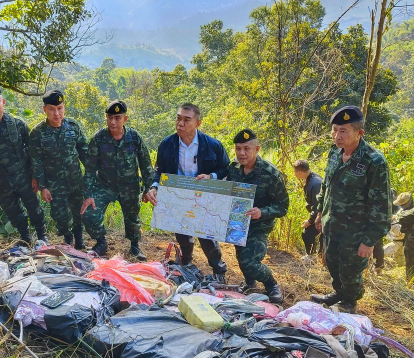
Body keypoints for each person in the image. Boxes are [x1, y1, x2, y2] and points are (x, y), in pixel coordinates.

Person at [311, 105, 392, 313]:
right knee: (333, 263)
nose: (337, 136)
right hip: (332, 224)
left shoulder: (374, 161)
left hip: (356, 231)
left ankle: (349, 302)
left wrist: (370, 240)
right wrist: (320, 212)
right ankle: (338, 293)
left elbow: (381, 204)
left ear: (359, 133)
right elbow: (326, 186)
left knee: (351, 270)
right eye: (335, 130)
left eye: (344, 131)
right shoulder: (334, 153)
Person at [146, 103, 230, 282]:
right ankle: (187, 266)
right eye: (178, 118)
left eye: (186, 120)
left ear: (198, 123)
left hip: (204, 197)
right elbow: (159, 170)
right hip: (180, 197)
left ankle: (219, 271)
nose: (180, 124)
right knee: (183, 234)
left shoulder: (212, 145)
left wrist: (212, 176)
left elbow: (225, 167)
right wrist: (154, 186)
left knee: (207, 236)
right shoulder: (167, 144)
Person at [0, 85, 47, 246]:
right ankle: (25, 238)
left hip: (23, 175)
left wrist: (35, 177)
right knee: (12, 211)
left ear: (3, 102)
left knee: (34, 207)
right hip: (0, 179)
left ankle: (42, 236)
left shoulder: (18, 124)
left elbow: (33, 152)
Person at [80, 100, 154, 259]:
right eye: (110, 117)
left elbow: (146, 165)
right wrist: (88, 194)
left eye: (118, 118)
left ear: (125, 119)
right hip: (105, 185)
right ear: (106, 117)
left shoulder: (134, 138)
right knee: (88, 214)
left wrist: (148, 189)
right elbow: (90, 169)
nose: (113, 122)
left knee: (132, 218)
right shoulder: (98, 139)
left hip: (130, 186)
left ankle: (135, 246)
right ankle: (101, 242)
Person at [226, 129, 289, 303]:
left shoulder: (271, 174)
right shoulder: (233, 170)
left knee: (249, 261)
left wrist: (262, 212)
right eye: (238, 148)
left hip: (259, 225)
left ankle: (271, 284)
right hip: (238, 222)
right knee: (241, 258)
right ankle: (249, 282)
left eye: (247, 148)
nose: (242, 153)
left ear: (257, 149)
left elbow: (283, 207)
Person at [29, 90, 88, 248]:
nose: (56, 113)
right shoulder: (37, 133)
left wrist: (91, 176)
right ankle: (67, 236)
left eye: (60, 108)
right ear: (44, 110)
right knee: (60, 216)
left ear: (64, 108)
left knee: (79, 212)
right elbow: (37, 162)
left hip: (75, 181)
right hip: (54, 184)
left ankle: (79, 239)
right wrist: (43, 187)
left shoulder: (73, 127)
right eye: (52, 109)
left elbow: (84, 152)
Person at [292, 159, 322, 258]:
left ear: (299, 172)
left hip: (324, 215)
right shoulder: (310, 179)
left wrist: (310, 221)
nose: (294, 174)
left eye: (295, 172)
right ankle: (316, 255)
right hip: (319, 214)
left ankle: (312, 257)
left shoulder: (315, 183)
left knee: (308, 233)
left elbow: (317, 206)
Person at [383, 192, 414, 266]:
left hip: (399, 242)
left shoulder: (412, 214)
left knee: (379, 253)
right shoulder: (403, 210)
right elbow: (398, 219)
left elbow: (401, 232)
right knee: (399, 263)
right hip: (398, 241)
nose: (400, 206)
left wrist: (391, 221)